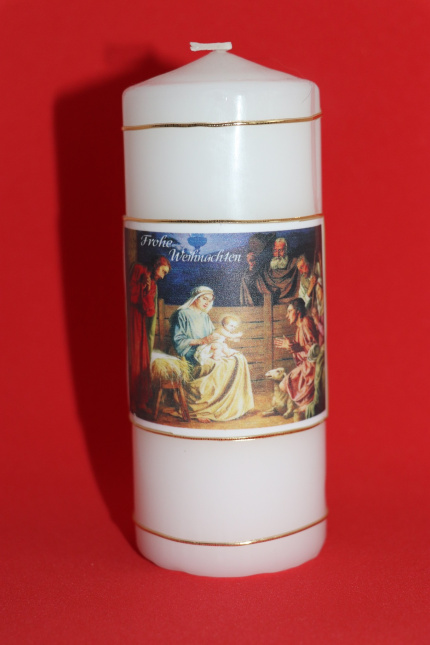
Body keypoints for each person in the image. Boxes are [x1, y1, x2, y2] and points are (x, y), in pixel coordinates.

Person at [169, 286, 254, 422]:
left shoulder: (204, 316)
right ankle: (202, 409)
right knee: (216, 365)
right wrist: (202, 341)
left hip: (206, 350)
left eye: (210, 300)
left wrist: (216, 340)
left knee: (237, 359)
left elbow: (212, 336)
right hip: (190, 354)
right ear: (196, 298)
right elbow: (178, 342)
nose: (207, 303)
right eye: (204, 299)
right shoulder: (182, 314)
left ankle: (225, 406)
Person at [128, 255, 171, 414]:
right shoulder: (138, 269)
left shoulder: (152, 284)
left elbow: (149, 311)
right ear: (156, 265)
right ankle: (132, 402)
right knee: (133, 357)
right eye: (163, 271)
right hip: (131, 318)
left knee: (141, 358)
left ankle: (140, 402)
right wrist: (141, 287)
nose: (163, 276)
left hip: (140, 324)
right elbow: (131, 296)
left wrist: (146, 291)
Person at [274, 297, 320, 414]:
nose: (287, 315)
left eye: (289, 311)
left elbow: (316, 348)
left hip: (312, 367)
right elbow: (302, 353)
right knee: (283, 385)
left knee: (284, 384)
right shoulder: (299, 329)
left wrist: (299, 348)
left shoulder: (306, 322)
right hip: (306, 366)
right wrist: (291, 347)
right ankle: (301, 404)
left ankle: (306, 402)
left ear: (298, 311)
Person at [255, 237, 299, 304]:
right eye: (275, 250)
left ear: (286, 250)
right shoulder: (266, 269)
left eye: (280, 250)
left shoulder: (294, 264)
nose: (277, 255)